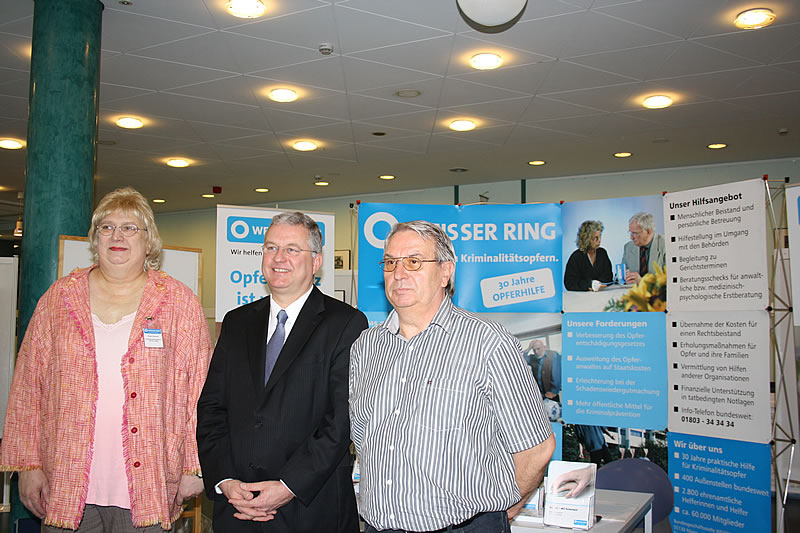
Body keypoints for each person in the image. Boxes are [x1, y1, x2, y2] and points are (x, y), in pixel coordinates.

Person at [0, 187, 212, 531]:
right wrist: (27, 464)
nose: (117, 236)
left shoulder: (178, 302)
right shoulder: (59, 298)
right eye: (107, 227)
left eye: (130, 228)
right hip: (64, 478)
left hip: (150, 480)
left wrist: (195, 467)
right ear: (95, 237)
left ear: (149, 240)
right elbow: (27, 384)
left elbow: (200, 390)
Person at [350, 220, 555, 532]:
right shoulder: (366, 347)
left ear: (445, 272)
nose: (399, 273)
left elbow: (536, 448)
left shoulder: (488, 343)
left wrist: (506, 508)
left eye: (413, 262)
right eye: (390, 262)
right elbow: (363, 440)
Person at [197, 211, 367, 533]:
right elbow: (212, 408)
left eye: (292, 249)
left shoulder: (345, 323)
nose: (278, 258)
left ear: (316, 262)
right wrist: (225, 479)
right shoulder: (236, 323)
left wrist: (288, 485)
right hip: (237, 508)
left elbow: (341, 420)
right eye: (271, 248)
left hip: (309, 509)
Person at [564, 220, 613, 291]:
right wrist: (589, 285)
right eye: (596, 238)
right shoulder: (576, 257)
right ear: (587, 239)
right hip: (582, 296)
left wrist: (599, 284)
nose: (599, 240)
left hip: (602, 293)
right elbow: (569, 283)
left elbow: (608, 276)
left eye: (600, 237)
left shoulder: (602, 253)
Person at [622, 212, 666, 284]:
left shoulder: (665, 244)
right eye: (630, 232)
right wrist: (624, 276)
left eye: (635, 233)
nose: (631, 237)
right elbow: (620, 274)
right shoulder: (628, 247)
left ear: (648, 231)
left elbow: (670, 279)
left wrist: (642, 281)